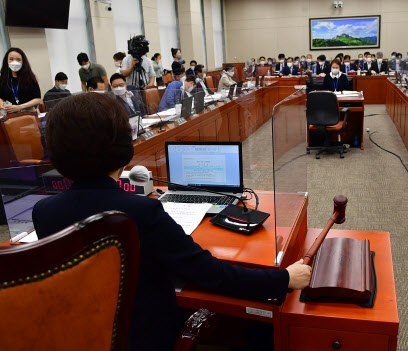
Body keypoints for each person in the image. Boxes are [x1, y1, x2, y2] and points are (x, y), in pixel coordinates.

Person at [34, 92, 311, 350]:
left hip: (81, 335)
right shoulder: (142, 212)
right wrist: (283, 278)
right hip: (145, 338)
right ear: (121, 145)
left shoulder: (43, 212)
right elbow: (210, 273)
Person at [0, 48, 42, 113]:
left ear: (23, 62)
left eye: (18, 60)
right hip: (9, 117)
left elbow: (38, 99)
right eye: (11, 59)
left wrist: (20, 107)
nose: (14, 62)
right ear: (6, 61)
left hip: (28, 114)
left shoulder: (30, 78)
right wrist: (1, 103)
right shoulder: (2, 79)